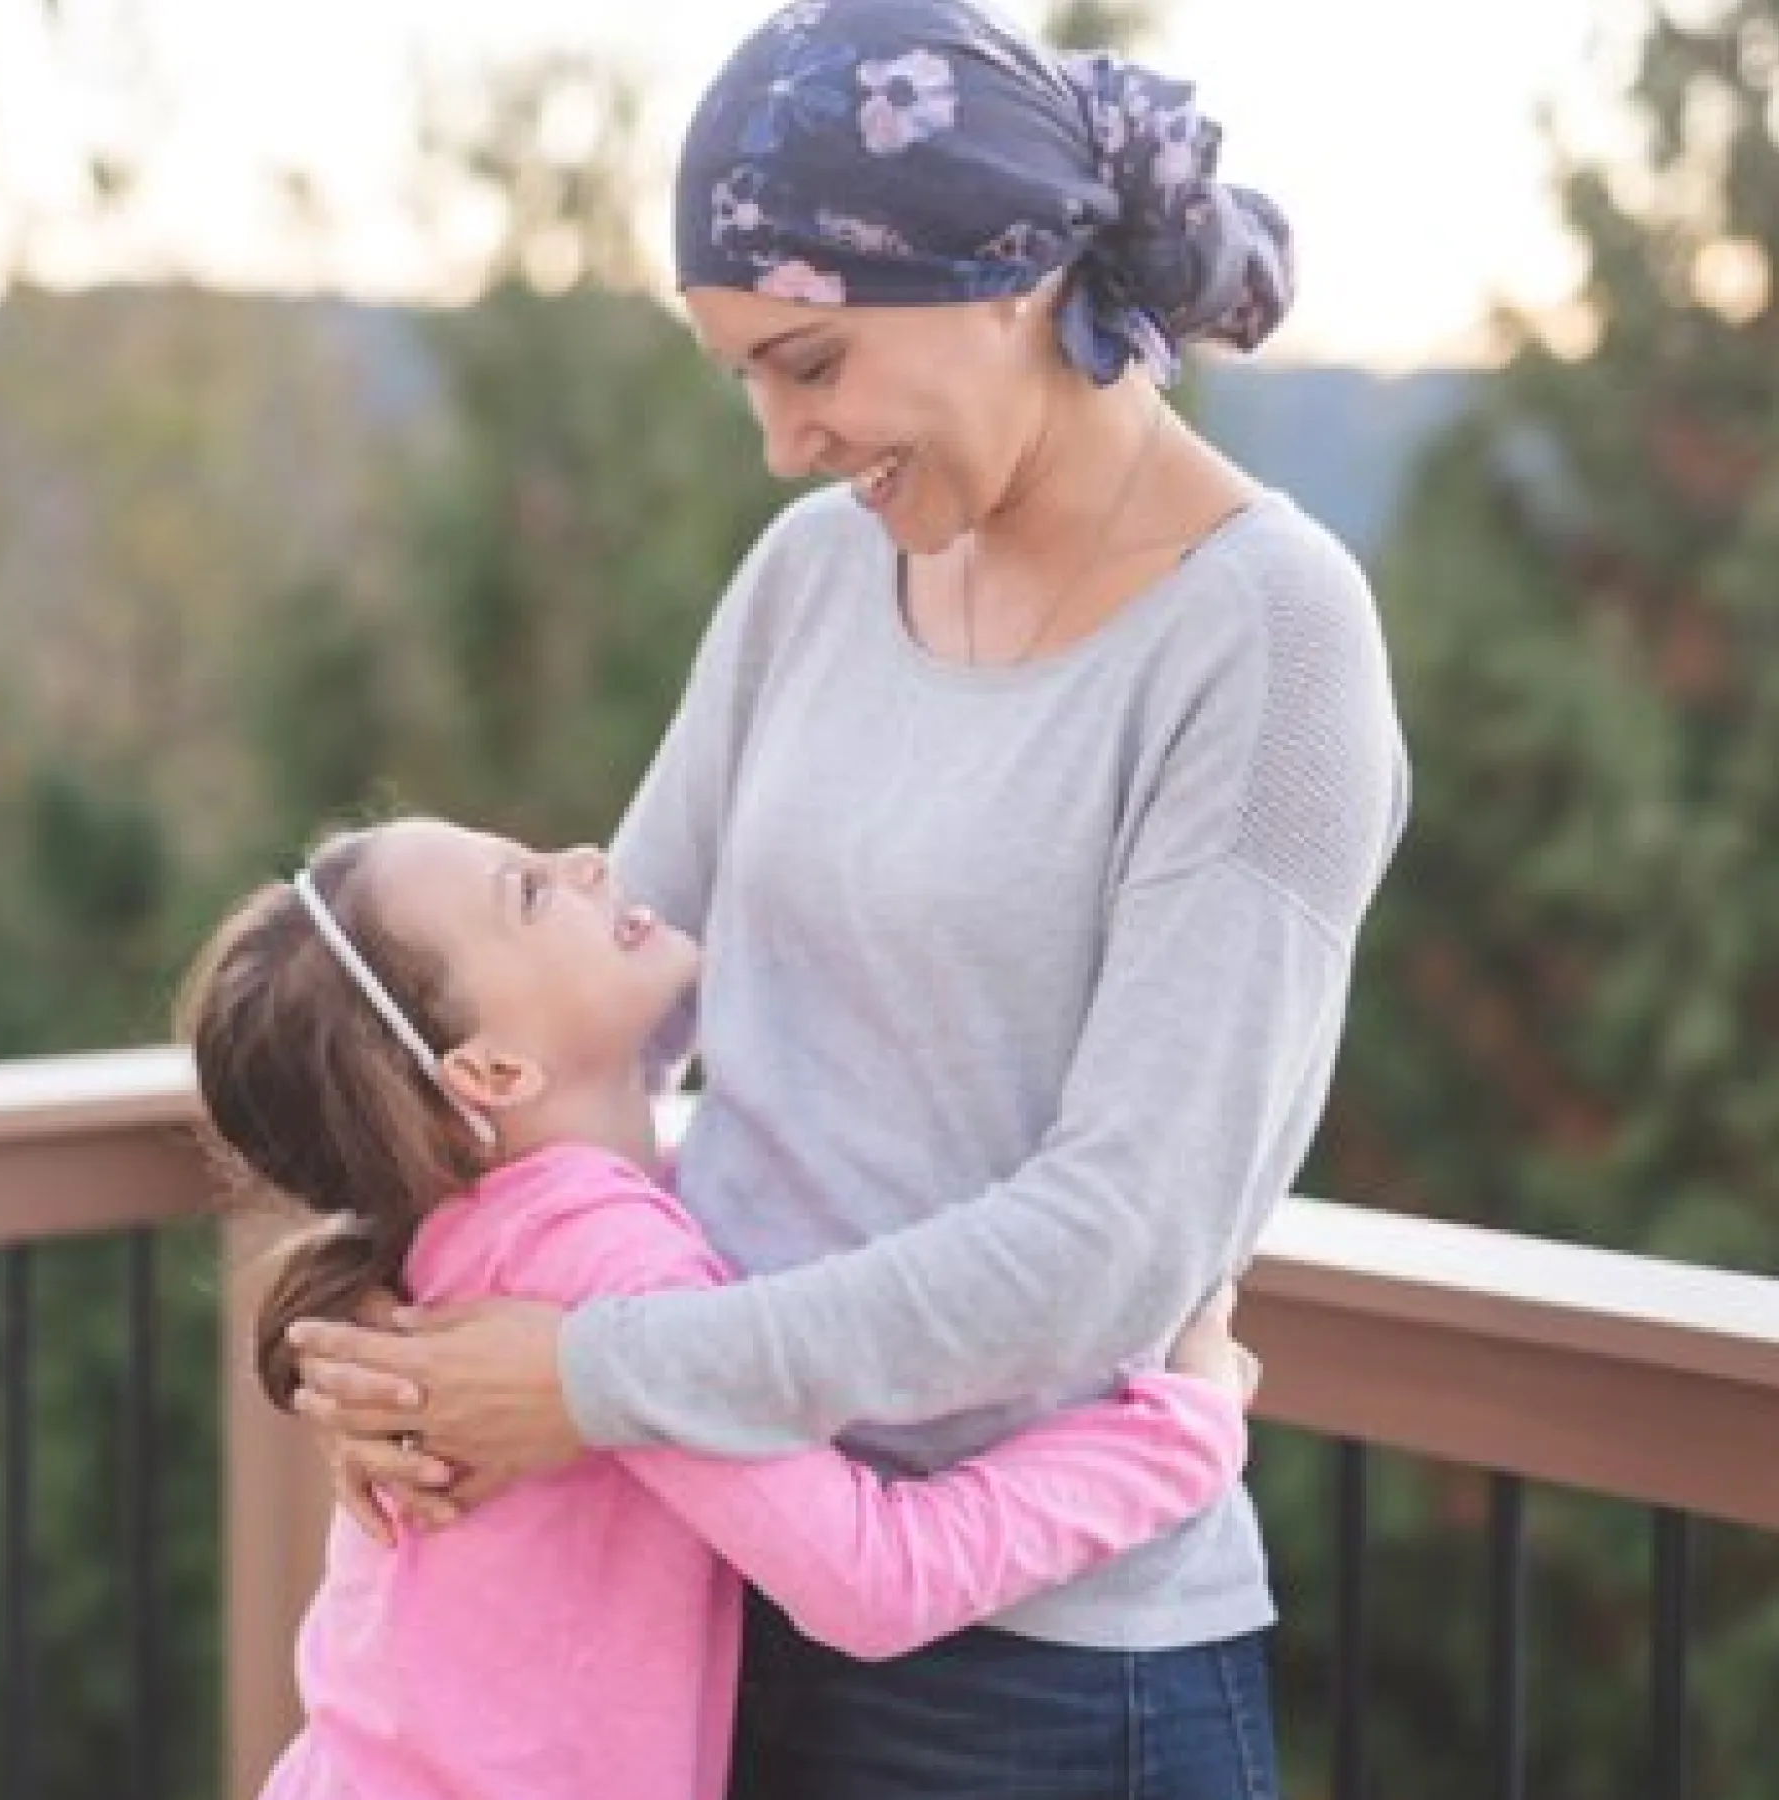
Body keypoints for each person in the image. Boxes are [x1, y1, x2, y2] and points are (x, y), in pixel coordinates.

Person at [278, 2, 1412, 1795]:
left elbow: (1119, 1243)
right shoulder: (819, 573)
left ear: (1008, 278)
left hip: (1039, 1678)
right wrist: (398, 1350)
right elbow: (599, 992)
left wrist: (593, 1380)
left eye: (810, 363)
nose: (784, 443)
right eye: (747, 378)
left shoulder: (1265, 639)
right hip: (731, 1587)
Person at [182, 817, 1257, 1800]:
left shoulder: (470, 1228)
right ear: (494, 1071)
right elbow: (876, 1579)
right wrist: (1184, 1428)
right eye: (526, 892)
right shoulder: (603, 1260)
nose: (586, 860)